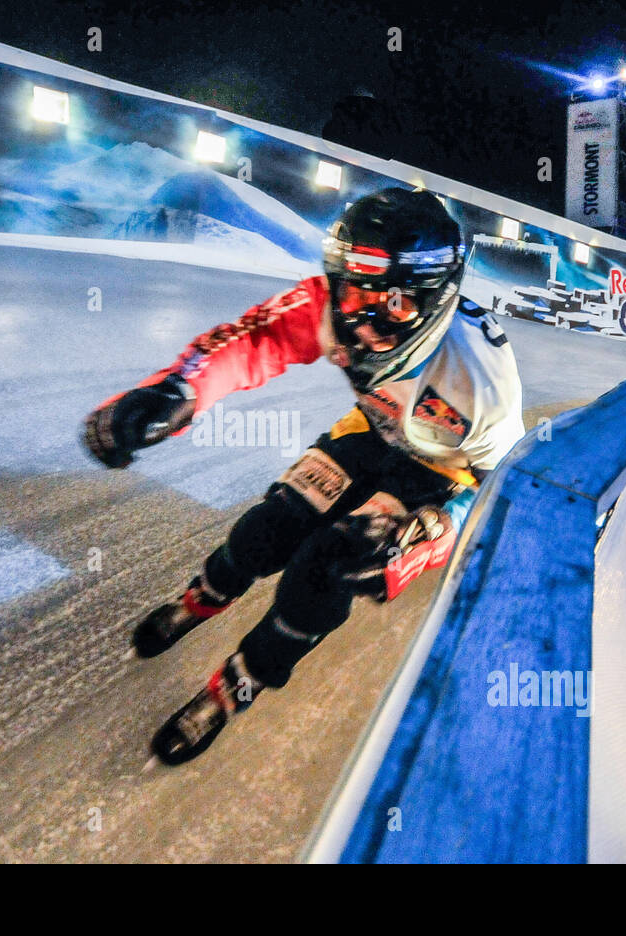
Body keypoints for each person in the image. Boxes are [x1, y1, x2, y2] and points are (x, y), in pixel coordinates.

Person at [82, 187, 526, 764]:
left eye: (392, 305)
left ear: (435, 299)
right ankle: (237, 666)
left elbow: (499, 485)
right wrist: (175, 390)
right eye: (355, 291)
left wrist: (431, 532)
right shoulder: (361, 323)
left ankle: (213, 614)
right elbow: (250, 342)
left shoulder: (486, 383)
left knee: (322, 572)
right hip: (398, 438)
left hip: (431, 466)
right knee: (268, 532)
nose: (362, 322)